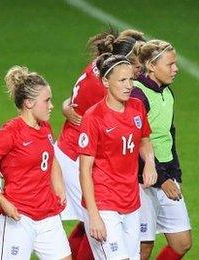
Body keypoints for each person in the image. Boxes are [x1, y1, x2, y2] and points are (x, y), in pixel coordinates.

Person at [56, 29, 145, 259]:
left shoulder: (100, 66)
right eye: (137, 65)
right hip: (78, 155)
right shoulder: (106, 94)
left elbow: (73, 101)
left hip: (76, 148)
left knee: (94, 224)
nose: (140, 71)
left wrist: (66, 105)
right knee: (95, 221)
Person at [0, 66, 70, 260]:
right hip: (18, 216)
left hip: (47, 214)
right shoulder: (11, 132)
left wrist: (59, 186)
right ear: (29, 103)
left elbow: (51, 158)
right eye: (47, 100)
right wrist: (2, 201)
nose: (51, 106)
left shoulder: (45, 127)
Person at [79, 54, 157, 260]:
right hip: (104, 202)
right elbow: (84, 170)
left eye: (131, 79)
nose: (128, 85)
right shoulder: (93, 117)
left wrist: (149, 163)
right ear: (106, 81)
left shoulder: (137, 107)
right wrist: (94, 215)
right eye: (122, 80)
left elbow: (145, 140)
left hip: (131, 201)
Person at [131, 40, 192, 260]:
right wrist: (163, 179)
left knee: (182, 242)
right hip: (142, 178)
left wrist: (176, 174)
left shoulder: (168, 92)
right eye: (170, 64)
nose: (176, 69)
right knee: (143, 246)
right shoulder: (138, 96)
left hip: (166, 173)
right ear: (150, 65)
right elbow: (138, 142)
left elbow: (169, 134)